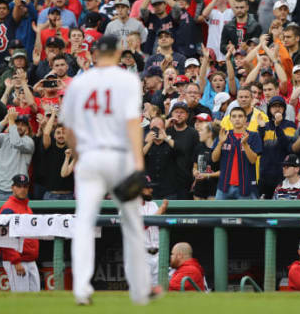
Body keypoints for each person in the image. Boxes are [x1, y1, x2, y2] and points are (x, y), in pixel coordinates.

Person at [60, 35, 153, 305]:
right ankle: (139, 291)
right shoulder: (126, 79)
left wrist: (79, 157)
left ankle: (81, 290)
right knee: (133, 224)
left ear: (94, 54)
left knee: (84, 222)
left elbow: (68, 129)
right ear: (117, 52)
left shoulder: (80, 82)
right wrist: (138, 164)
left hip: (88, 158)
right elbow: (133, 123)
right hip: (119, 158)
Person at [0, 174, 40, 292]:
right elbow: (4, 237)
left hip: (30, 259)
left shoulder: (27, 208)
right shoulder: (8, 208)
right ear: (13, 188)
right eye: (19, 186)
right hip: (16, 261)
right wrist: (15, 261)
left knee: (36, 298)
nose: (22, 189)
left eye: (25, 186)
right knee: (20, 300)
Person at [212, 107, 262, 199]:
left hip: (245, 186)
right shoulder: (224, 134)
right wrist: (220, 143)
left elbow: (253, 160)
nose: (237, 119)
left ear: (245, 119)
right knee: (218, 213)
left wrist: (245, 144)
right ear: (230, 119)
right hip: (224, 186)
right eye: (234, 116)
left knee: (245, 214)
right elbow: (214, 159)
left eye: (240, 116)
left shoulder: (254, 136)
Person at [0, 110, 34, 201]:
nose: (19, 127)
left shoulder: (29, 141)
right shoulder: (5, 137)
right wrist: (5, 121)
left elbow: (16, 142)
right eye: (17, 124)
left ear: (27, 128)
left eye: (23, 125)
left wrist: (12, 122)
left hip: (17, 190)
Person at [257, 96, 296, 199]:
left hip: (283, 175)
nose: (277, 109)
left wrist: (278, 127)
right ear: (269, 109)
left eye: (280, 106)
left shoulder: (290, 125)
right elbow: (258, 149)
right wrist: (261, 129)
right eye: (274, 106)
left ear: (284, 109)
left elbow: (287, 146)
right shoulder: (264, 126)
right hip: (264, 175)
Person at [138, 176, 168, 287]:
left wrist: (162, 213)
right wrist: (161, 210)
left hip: (158, 255)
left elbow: (159, 228)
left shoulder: (153, 205)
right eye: (147, 188)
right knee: (142, 292)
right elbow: (140, 226)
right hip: (140, 256)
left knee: (160, 292)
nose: (151, 190)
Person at [166, 102, 199, 199]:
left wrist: (195, 179)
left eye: (182, 112)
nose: (179, 115)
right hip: (167, 182)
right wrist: (164, 127)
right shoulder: (167, 131)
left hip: (186, 181)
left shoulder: (193, 133)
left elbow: (197, 157)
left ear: (187, 115)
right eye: (176, 112)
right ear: (171, 114)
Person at [193, 122, 220, 200]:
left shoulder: (218, 149)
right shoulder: (199, 147)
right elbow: (195, 166)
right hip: (199, 189)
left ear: (210, 133)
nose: (199, 133)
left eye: (201, 130)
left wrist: (207, 175)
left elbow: (224, 171)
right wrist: (195, 172)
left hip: (214, 189)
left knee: (211, 211)